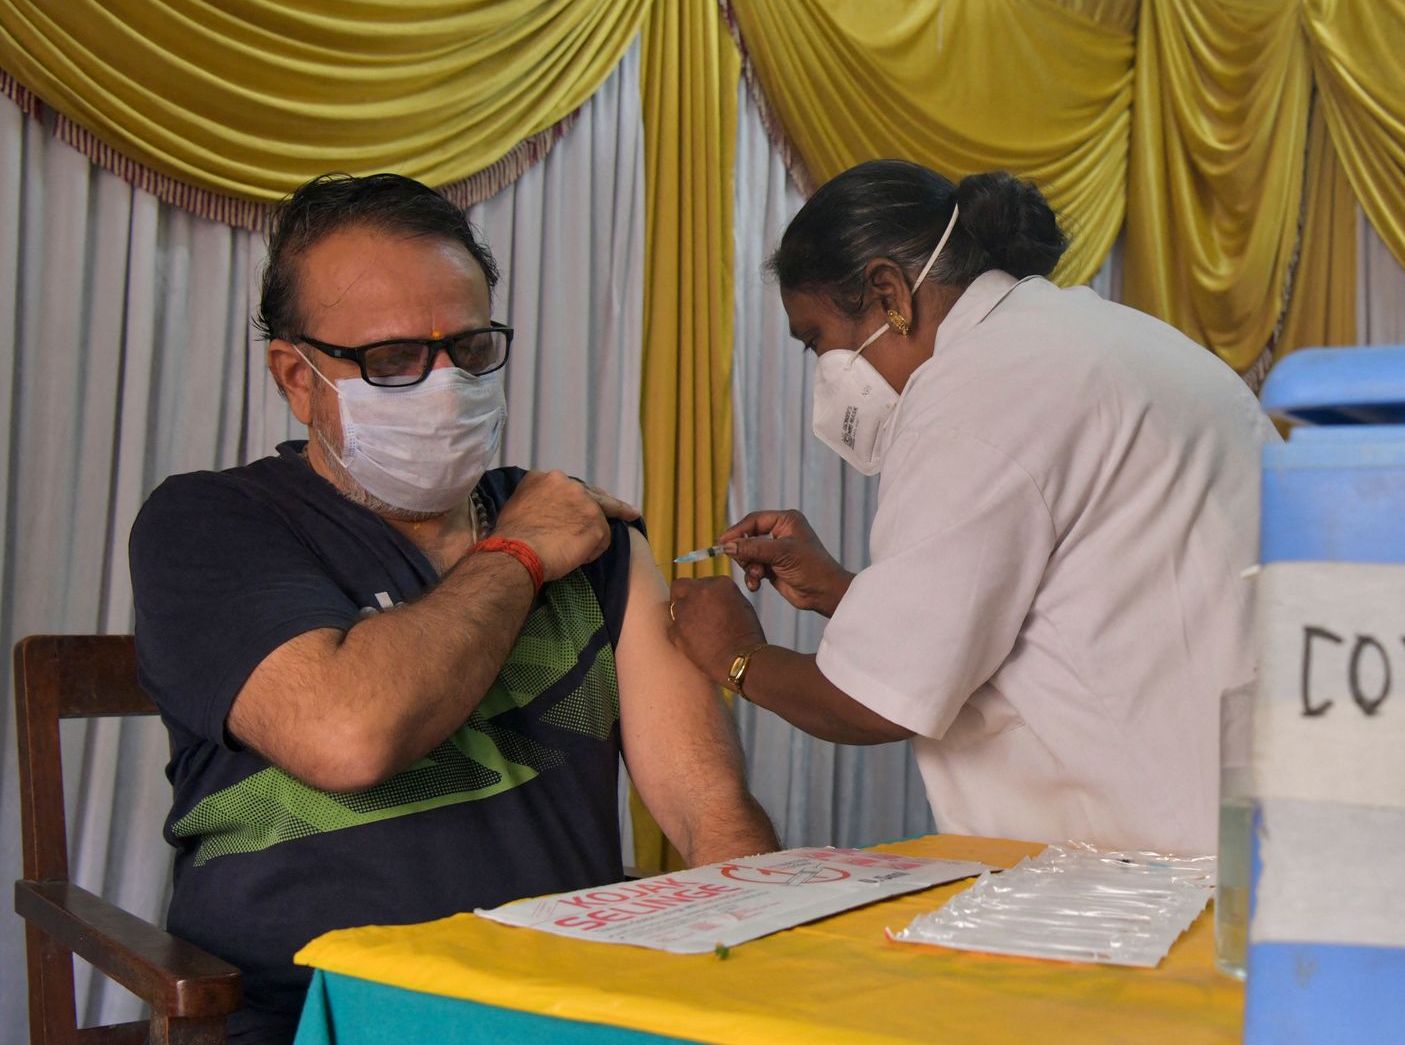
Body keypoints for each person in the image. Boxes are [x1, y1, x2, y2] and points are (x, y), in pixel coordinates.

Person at [129, 173, 777, 1043]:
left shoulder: (590, 536)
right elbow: (346, 733)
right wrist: (520, 552)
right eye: (393, 360)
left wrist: (763, 977)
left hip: (561, 1006)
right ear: (297, 377)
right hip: (315, 1013)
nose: (445, 385)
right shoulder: (213, 524)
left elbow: (709, 809)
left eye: (469, 350)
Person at [667, 160, 1276, 854]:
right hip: (1251, 829)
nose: (825, 372)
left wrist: (735, 654)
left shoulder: (972, 395)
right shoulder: (1101, 337)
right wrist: (841, 592)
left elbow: (872, 702)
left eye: (817, 341)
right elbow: (1062, 602)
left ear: (889, 294)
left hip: (1148, 862)